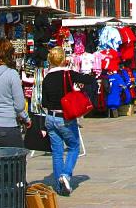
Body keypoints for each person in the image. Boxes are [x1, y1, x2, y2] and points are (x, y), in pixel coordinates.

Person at [41, 47, 92, 196]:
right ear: (64, 59)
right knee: (73, 146)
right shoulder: (68, 74)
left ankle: (59, 187)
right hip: (65, 117)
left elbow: (44, 102)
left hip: (50, 117)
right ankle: (65, 174)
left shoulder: (47, 77)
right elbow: (89, 79)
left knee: (57, 152)